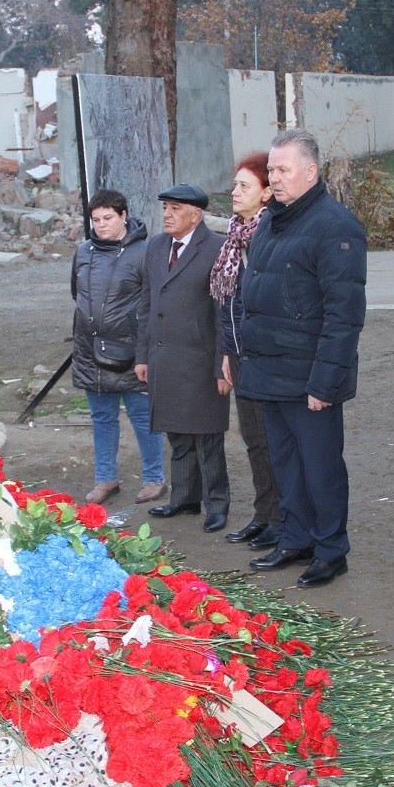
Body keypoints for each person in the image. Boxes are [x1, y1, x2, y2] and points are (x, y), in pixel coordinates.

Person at [238, 129, 367, 588]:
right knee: (285, 463)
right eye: (270, 169)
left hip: (310, 375)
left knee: (321, 467)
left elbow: (344, 315)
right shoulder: (272, 221)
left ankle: (331, 550)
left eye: (282, 169)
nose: (273, 177)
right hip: (270, 368)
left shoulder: (336, 227)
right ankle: (295, 538)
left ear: (310, 172)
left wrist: (324, 383)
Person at [137, 184, 231, 533]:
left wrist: (225, 364)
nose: (167, 214)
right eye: (165, 207)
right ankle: (184, 499)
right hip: (164, 357)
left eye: (175, 208)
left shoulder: (219, 248)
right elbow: (146, 303)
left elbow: (225, 311)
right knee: (176, 433)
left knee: (207, 437)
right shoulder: (157, 246)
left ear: (196, 214)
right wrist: (142, 355)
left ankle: (217, 504)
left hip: (202, 358)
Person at [70, 190, 166, 506]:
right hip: (89, 350)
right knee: (101, 418)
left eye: (108, 218)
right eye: (96, 220)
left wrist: (144, 349)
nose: (101, 225)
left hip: (130, 352)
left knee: (143, 417)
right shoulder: (83, 252)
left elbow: (154, 303)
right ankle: (106, 479)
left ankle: (154, 479)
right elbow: (78, 293)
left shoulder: (145, 252)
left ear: (124, 215)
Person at [210, 153, 285, 550]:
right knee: (253, 438)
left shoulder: (267, 237)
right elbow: (228, 305)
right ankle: (264, 514)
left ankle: (281, 519)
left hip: (265, 356)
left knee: (273, 441)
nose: (235, 193)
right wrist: (226, 352)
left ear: (266, 194)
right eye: (235, 185)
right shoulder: (234, 235)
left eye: (244, 186)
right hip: (239, 354)